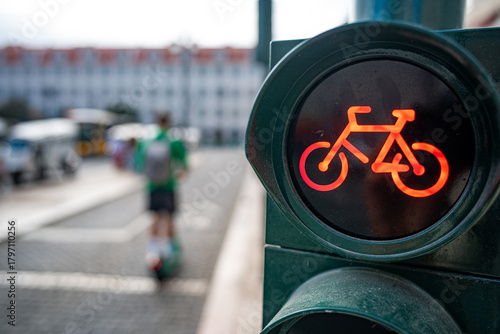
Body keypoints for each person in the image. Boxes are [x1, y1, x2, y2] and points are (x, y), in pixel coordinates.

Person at [138, 113, 188, 271]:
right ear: (168, 123)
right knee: (168, 217)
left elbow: (138, 162)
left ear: (156, 122)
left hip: (152, 186)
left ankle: (152, 251)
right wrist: (182, 171)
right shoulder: (173, 140)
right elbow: (184, 163)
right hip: (169, 185)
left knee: (155, 217)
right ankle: (168, 251)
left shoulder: (147, 141)